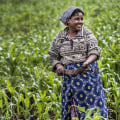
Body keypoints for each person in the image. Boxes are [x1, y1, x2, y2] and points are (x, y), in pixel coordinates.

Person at [48, 6, 108, 120]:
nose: (80, 22)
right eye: (76, 19)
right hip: (69, 76)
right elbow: (53, 54)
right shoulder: (60, 37)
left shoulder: (87, 34)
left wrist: (86, 63)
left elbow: (94, 52)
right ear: (68, 21)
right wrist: (58, 65)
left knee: (91, 104)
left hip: (87, 75)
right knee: (70, 103)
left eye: (81, 19)